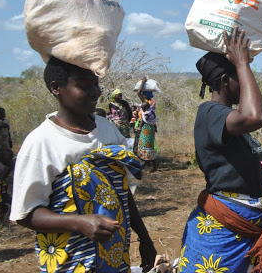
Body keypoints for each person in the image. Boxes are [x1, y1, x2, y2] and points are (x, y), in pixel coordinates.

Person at [9, 57, 157, 272]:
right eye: (84, 86)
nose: (95, 92)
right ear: (56, 88)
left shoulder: (107, 130)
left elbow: (122, 194)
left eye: (96, 84)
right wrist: (79, 223)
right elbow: (27, 213)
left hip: (114, 256)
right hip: (71, 261)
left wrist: (144, 238)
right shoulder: (42, 142)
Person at [178, 27, 262, 273]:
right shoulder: (210, 113)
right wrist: (242, 63)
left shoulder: (229, 119)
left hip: (244, 233)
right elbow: (255, 116)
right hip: (223, 234)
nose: (247, 82)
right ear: (225, 81)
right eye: (241, 77)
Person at [136, 77, 158, 172]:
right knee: (147, 144)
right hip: (150, 126)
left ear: (145, 96)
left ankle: (152, 165)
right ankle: (147, 162)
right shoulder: (151, 103)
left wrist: (143, 82)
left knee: (147, 145)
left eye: (143, 95)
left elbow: (138, 93)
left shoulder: (147, 103)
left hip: (146, 126)